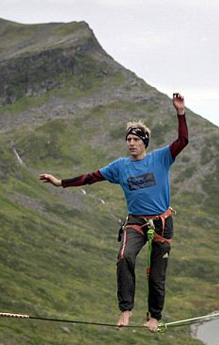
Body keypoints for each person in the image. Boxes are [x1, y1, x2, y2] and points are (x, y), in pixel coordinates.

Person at [39, 93, 188, 332]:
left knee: (157, 276)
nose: (131, 143)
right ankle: (126, 310)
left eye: (135, 140)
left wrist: (180, 112)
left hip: (162, 223)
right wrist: (60, 183)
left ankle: (153, 317)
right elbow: (91, 177)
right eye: (128, 139)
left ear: (144, 143)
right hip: (136, 222)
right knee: (124, 257)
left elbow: (182, 140)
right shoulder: (120, 166)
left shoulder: (160, 158)